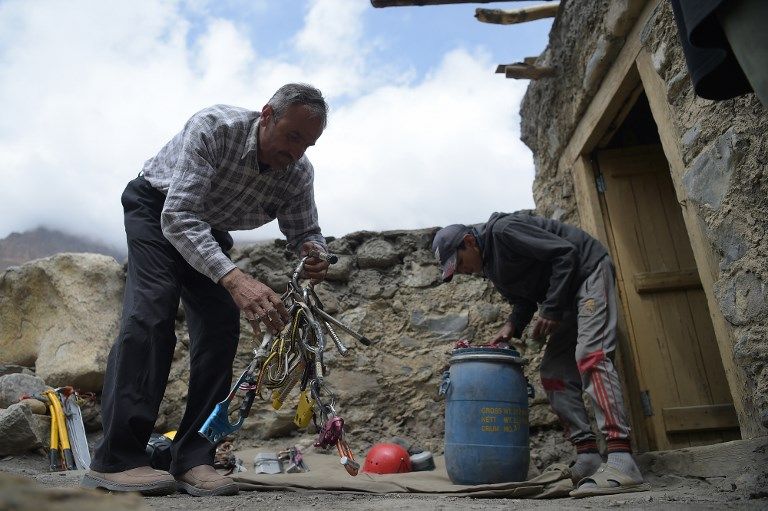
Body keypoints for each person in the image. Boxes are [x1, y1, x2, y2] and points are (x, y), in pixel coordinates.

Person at [82, 83, 332, 496]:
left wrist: (314, 251)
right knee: (151, 315)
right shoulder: (215, 128)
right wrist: (234, 278)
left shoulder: (298, 172)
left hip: (208, 230)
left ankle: (193, 459)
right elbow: (177, 218)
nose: (297, 152)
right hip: (157, 209)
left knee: (220, 328)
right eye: (292, 136)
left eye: (308, 143)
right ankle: (116, 459)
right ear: (267, 114)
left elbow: (305, 229)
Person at [432, 211, 650, 497]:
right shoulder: (491, 267)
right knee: (553, 375)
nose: (462, 271)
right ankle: (588, 455)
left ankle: (622, 459)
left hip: (588, 273)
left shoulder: (504, 232)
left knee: (591, 356)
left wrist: (551, 310)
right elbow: (524, 301)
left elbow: (565, 254)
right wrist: (512, 325)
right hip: (566, 298)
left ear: (470, 242)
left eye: (459, 263)